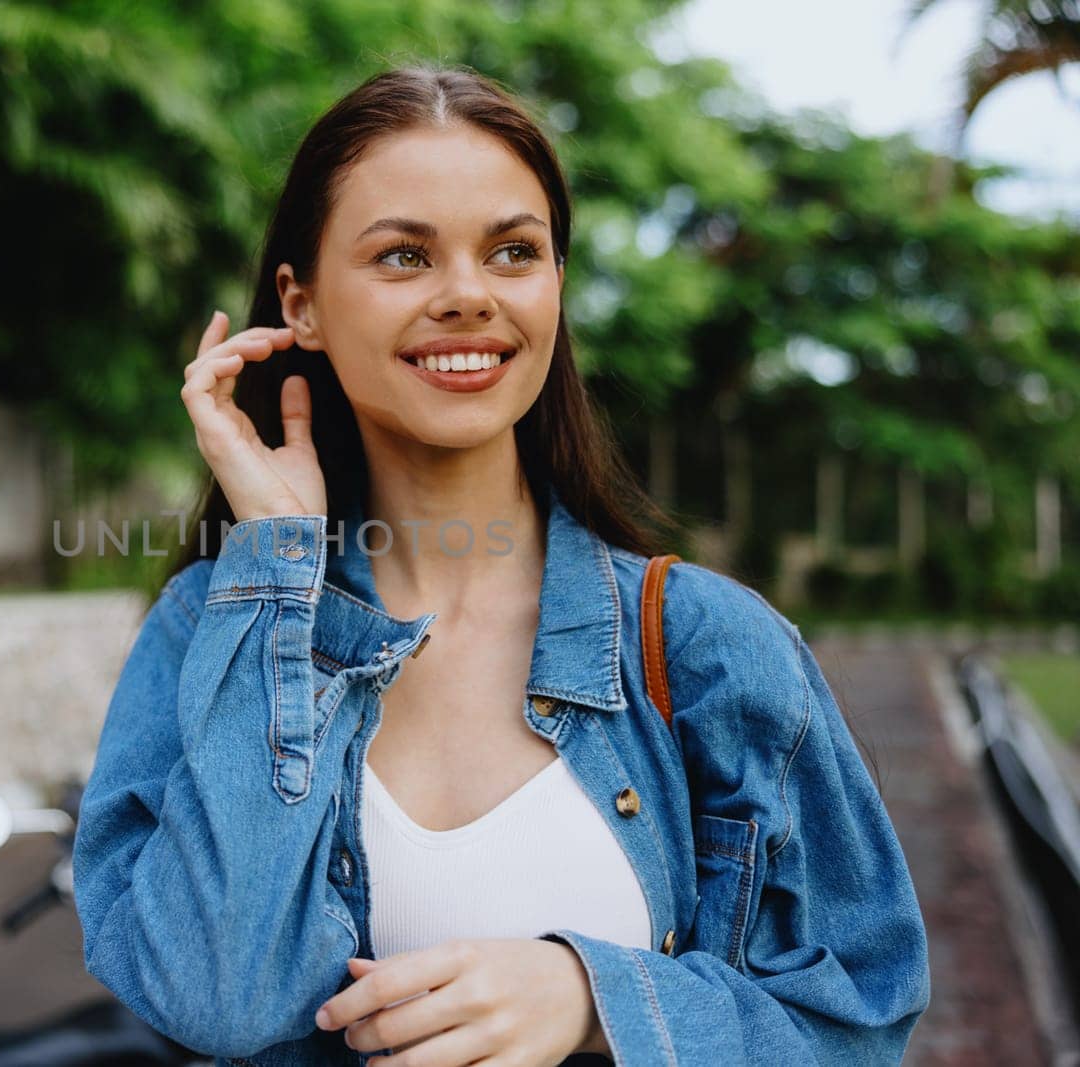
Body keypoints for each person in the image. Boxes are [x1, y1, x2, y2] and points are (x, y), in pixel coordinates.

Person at [71, 63, 930, 1066]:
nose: (468, 296)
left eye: (513, 251)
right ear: (300, 305)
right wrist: (276, 572)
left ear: (554, 285)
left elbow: (860, 1010)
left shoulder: (708, 646)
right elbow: (214, 998)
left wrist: (593, 994)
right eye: (403, 256)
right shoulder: (206, 626)